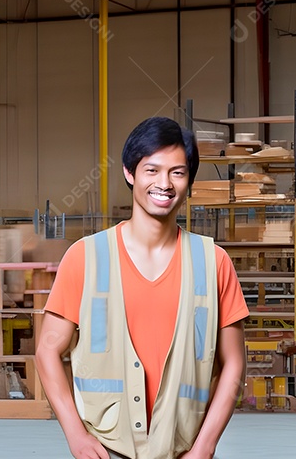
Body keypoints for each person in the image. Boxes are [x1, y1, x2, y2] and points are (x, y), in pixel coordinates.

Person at [36, 117, 248, 459]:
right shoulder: (85, 257)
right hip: (106, 447)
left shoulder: (213, 262)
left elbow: (234, 364)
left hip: (184, 448)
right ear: (130, 173)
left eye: (177, 172)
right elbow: (47, 351)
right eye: (152, 170)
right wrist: (75, 435)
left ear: (189, 180)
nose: (164, 183)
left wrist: (205, 447)